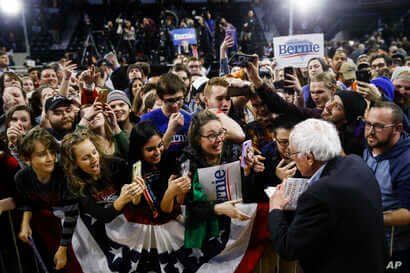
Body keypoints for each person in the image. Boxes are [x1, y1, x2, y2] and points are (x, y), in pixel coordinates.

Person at [268, 118, 385, 273]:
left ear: (309, 158)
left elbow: (288, 248)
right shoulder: (355, 162)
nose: (292, 158)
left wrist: (275, 208)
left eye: (293, 153)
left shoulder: (318, 194)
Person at [15, 127, 81, 272]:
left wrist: (62, 249)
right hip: (51, 229)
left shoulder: (63, 173)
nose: (50, 158)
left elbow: (72, 214)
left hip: (78, 228)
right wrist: (25, 224)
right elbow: (28, 202)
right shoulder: (21, 178)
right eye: (42, 154)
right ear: (27, 159)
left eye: (52, 152)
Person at [362, 102, 410, 268]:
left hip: (395, 249)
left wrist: (368, 219)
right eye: (368, 124)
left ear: (397, 128)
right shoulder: (372, 145)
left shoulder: (406, 162)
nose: (370, 131)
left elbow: (408, 213)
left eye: (378, 126)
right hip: (367, 241)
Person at [140, 73, 191, 155]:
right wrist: (171, 131)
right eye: (170, 100)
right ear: (160, 98)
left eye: (179, 99)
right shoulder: (146, 121)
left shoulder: (189, 119)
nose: (175, 105)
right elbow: (151, 157)